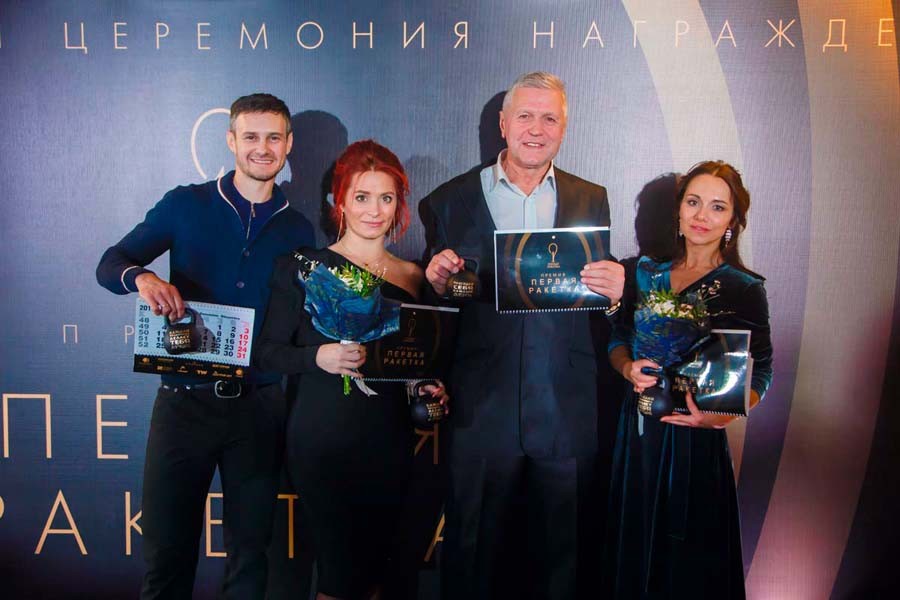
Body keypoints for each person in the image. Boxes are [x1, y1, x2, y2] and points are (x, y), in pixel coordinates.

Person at [96, 93, 314, 599]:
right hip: (184, 404)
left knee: (249, 559)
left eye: (274, 138)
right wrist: (143, 278)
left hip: (258, 410)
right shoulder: (185, 203)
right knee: (166, 558)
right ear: (231, 140)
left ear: (288, 145)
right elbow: (111, 263)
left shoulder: (298, 227)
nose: (262, 148)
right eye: (251, 136)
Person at [420, 71, 625, 599]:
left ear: (564, 129)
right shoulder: (450, 200)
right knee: (472, 560)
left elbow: (598, 301)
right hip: (482, 410)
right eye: (526, 116)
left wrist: (616, 292)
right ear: (503, 124)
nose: (537, 129)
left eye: (549, 118)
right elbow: (440, 306)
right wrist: (437, 281)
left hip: (566, 408)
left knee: (564, 565)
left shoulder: (591, 198)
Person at [254, 139, 448, 600]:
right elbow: (266, 354)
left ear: (398, 204)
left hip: (390, 441)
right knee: (339, 579)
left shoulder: (415, 277)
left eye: (386, 198)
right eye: (362, 197)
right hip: (323, 441)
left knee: (378, 578)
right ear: (338, 201)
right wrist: (317, 358)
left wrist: (427, 386)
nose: (374, 211)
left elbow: (415, 362)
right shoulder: (304, 267)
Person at [604, 161, 773, 599]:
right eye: (694, 202)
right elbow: (619, 338)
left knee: (687, 565)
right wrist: (626, 368)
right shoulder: (643, 272)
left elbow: (763, 369)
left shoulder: (742, 287)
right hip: (638, 432)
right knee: (633, 547)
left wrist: (721, 416)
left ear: (732, 221)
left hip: (695, 439)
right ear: (679, 209)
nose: (702, 216)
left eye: (717, 207)